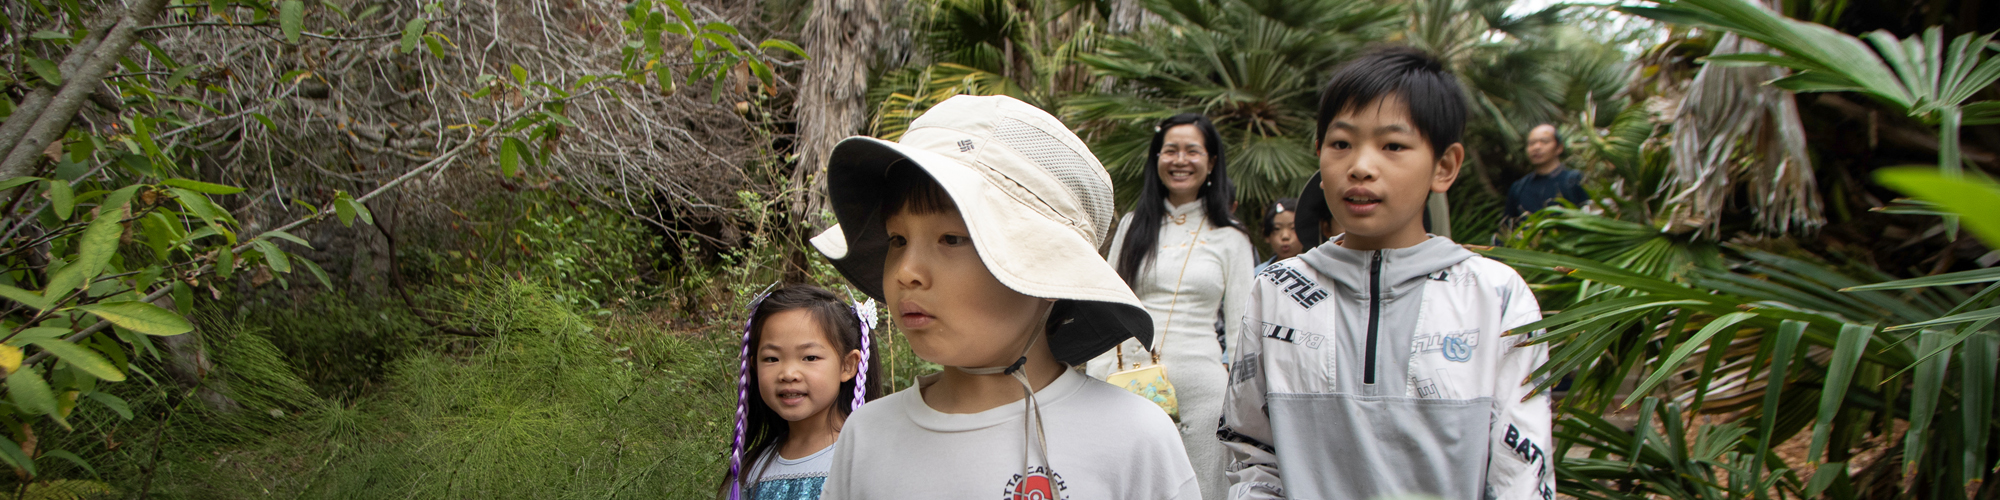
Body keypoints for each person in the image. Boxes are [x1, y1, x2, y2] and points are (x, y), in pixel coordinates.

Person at [810, 94, 1200, 499]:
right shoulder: (868, 435)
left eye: (952, 238)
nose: (907, 272)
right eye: (897, 239)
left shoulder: (1132, 437)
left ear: (1050, 271)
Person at [1218, 47, 1554, 500]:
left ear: (1445, 166)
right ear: (1319, 154)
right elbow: (1248, 446)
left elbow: (1521, 474)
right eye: (1341, 144)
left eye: (1393, 145)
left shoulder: (1495, 296)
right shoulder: (1276, 290)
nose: (1360, 166)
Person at [1083, 113, 1255, 500]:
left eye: (1192, 151)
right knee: (1121, 486)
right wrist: (1095, 374)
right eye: (1170, 150)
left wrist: (1241, 397)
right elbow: (1106, 303)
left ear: (1211, 163)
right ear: (1156, 159)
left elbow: (1246, 327)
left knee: (1202, 489)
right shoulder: (1132, 226)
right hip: (1126, 381)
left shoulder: (1231, 238)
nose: (1180, 160)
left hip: (1203, 393)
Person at [718, 284, 880, 500]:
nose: (788, 373)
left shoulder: (869, 459)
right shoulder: (751, 470)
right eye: (771, 359)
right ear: (754, 366)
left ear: (848, 366)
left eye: (809, 357)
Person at [1503, 123, 1589, 222]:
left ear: (1559, 148)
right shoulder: (1518, 188)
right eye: (1531, 143)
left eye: (1544, 142)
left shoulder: (1574, 180)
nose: (1536, 147)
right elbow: (1507, 228)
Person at [1255, 198, 1301, 275]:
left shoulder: (1317, 271)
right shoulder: (1258, 274)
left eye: (1293, 228)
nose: (1285, 236)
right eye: (1277, 229)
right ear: (1267, 235)